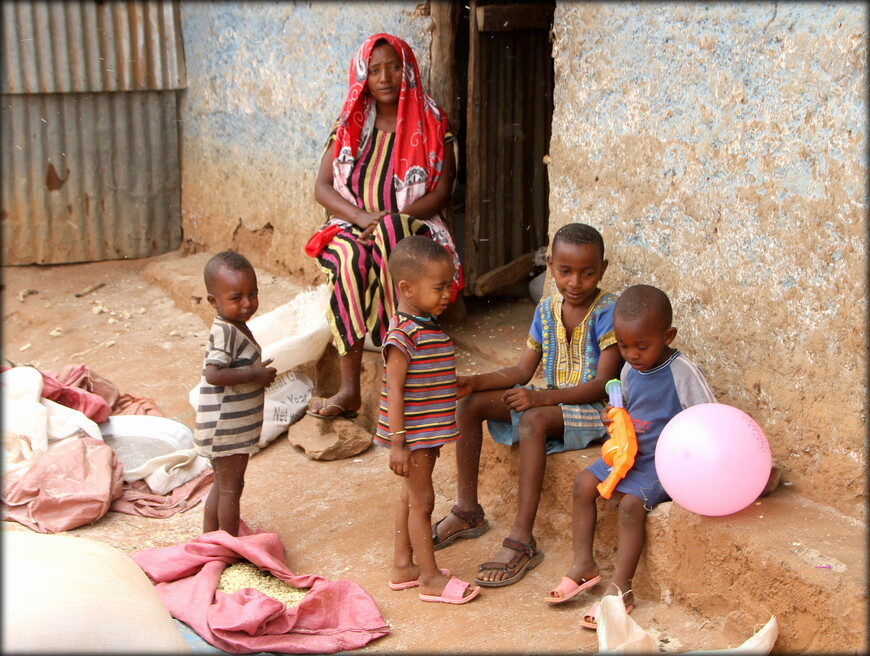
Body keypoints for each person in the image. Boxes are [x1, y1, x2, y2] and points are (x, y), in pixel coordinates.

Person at [432, 223, 623, 588]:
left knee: (533, 419)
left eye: (587, 272)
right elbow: (522, 369)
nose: (575, 282)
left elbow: (601, 384)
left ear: (603, 269)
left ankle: (522, 539)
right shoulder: (547, 309)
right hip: (552, 401)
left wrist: (540, 397)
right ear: (550, 265)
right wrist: (475, 381)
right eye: (565, 271)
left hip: (596, 411)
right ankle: (468, 511)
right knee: (470, 405)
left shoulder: (607, 312)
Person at [306, 33, 463, 420]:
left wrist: (392, 220)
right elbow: (322, 187)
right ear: (364, 76)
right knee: (347, 258)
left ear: (407, 69)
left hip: (413, 224)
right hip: (352, 224)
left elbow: (442, 191)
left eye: (394, 66)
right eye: (374, 70)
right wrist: (361, 218)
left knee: (396, 241)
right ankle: (349, 389)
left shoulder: (431, 121)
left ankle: (405, 377)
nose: (385, 76)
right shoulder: (351, 123)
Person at [547, 284, 715, 627]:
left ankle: (621, 589)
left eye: (642, 345)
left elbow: (710, 418)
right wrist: (613, 415)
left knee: (630, 506)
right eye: (624, 346)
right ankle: (583, 565)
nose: (633, 354)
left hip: (663, 460)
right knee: (583, 483)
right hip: (628, 451)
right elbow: (622, 406)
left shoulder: (681, 371)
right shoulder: (627, 369)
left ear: (667, 335)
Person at [375, 235, 480, 604]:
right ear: (406, 288)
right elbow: (395, 390)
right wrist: (399, 443)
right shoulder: (403, 335)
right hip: (413, 437)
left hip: (427, 432)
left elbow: (427, 379)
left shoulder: (426, 326)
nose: (447, 294)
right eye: (438, 288)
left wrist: (453, 385)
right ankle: (430, 578)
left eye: (448, 285)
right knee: (423, 503)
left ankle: (403, 566)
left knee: (411, 497)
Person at [194, 251, 277, 536]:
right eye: (236, 298)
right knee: (231, 488)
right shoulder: (225, 333)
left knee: (222, 485)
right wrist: (256, 375)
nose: (247, 304)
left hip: (225, 425)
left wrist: (253, 371)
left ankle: (211, 539)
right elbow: (213, 374)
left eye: (252, 294)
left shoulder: (233, 326)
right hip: (227, 428)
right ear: (213, 301)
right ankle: (228, 546)